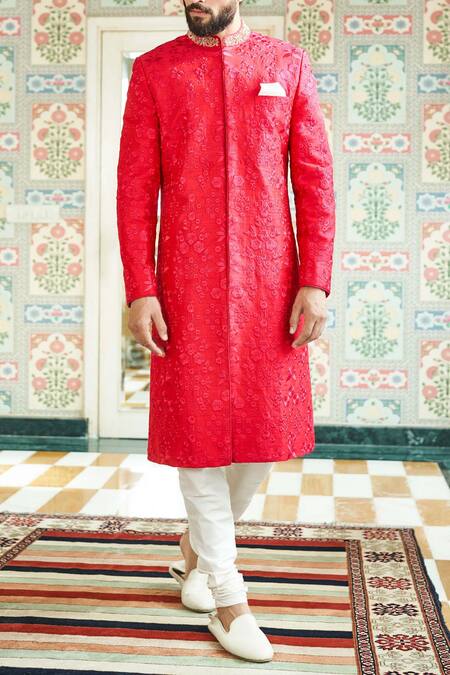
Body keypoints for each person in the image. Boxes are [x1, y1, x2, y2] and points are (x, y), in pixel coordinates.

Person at [116, 0, 335, 662]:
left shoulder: (286, 64)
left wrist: (316, 279)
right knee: (197, 434)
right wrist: (141, 287)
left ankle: (195, 547)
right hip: (186, 282)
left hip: (272, 282)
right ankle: (227, 591)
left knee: (265, 435)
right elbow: (135, 187)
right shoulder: (156, 71)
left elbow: (315, 179)